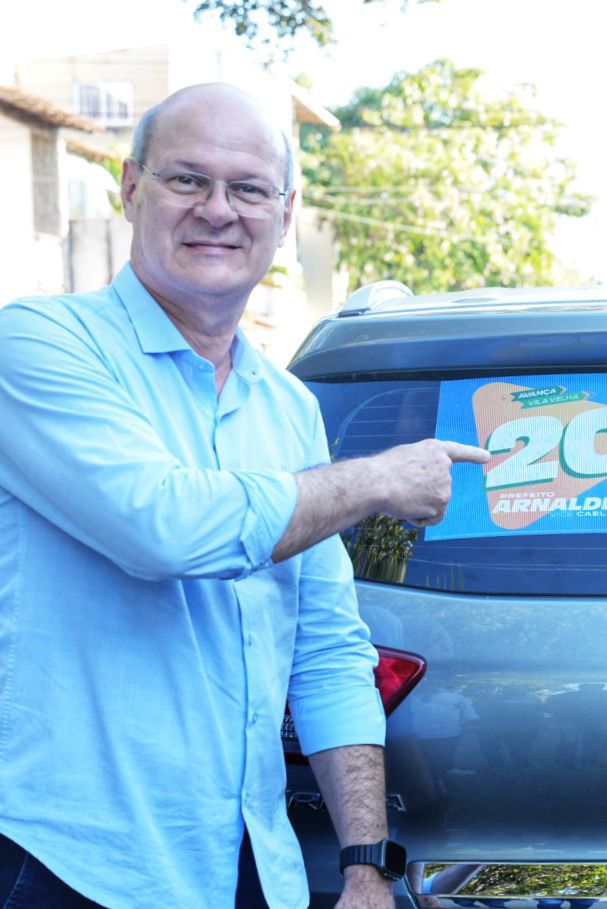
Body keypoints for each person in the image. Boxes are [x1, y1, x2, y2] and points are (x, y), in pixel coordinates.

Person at [0, 83, 490, 908]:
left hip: (249, 865)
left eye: (249, 188)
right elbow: (166, 528)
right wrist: (375, 478)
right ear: (129, 186)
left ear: (285, 214)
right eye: (187, 180)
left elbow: (327, 648)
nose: (218, 210)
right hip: (72, 865)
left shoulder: (288, 406)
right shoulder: (40, 344)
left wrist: (365, 863)